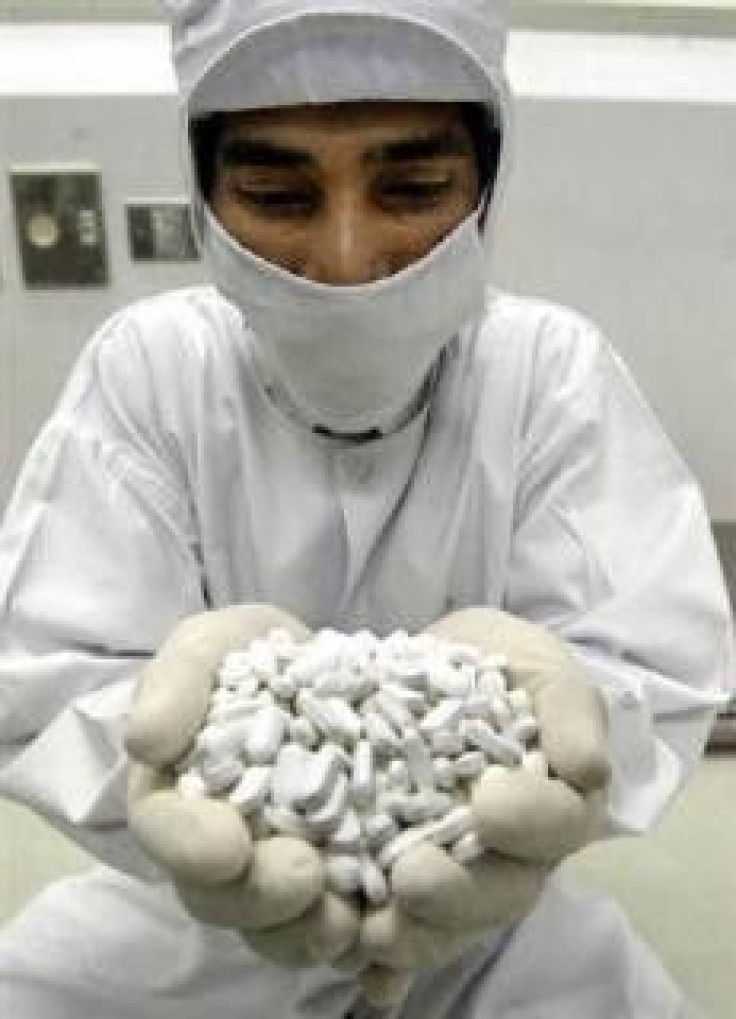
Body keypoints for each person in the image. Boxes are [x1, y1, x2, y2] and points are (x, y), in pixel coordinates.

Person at [0, 1, 733, 1016]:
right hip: (188, 920)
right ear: (204, 193)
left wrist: (571, 720)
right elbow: (50, 673)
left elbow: (641, 665)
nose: (347, 258)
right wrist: (161, 751)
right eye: (273, 190)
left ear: (487, 183)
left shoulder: (549, 371)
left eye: (415, 187)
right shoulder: (150, 369)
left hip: (488, 906)